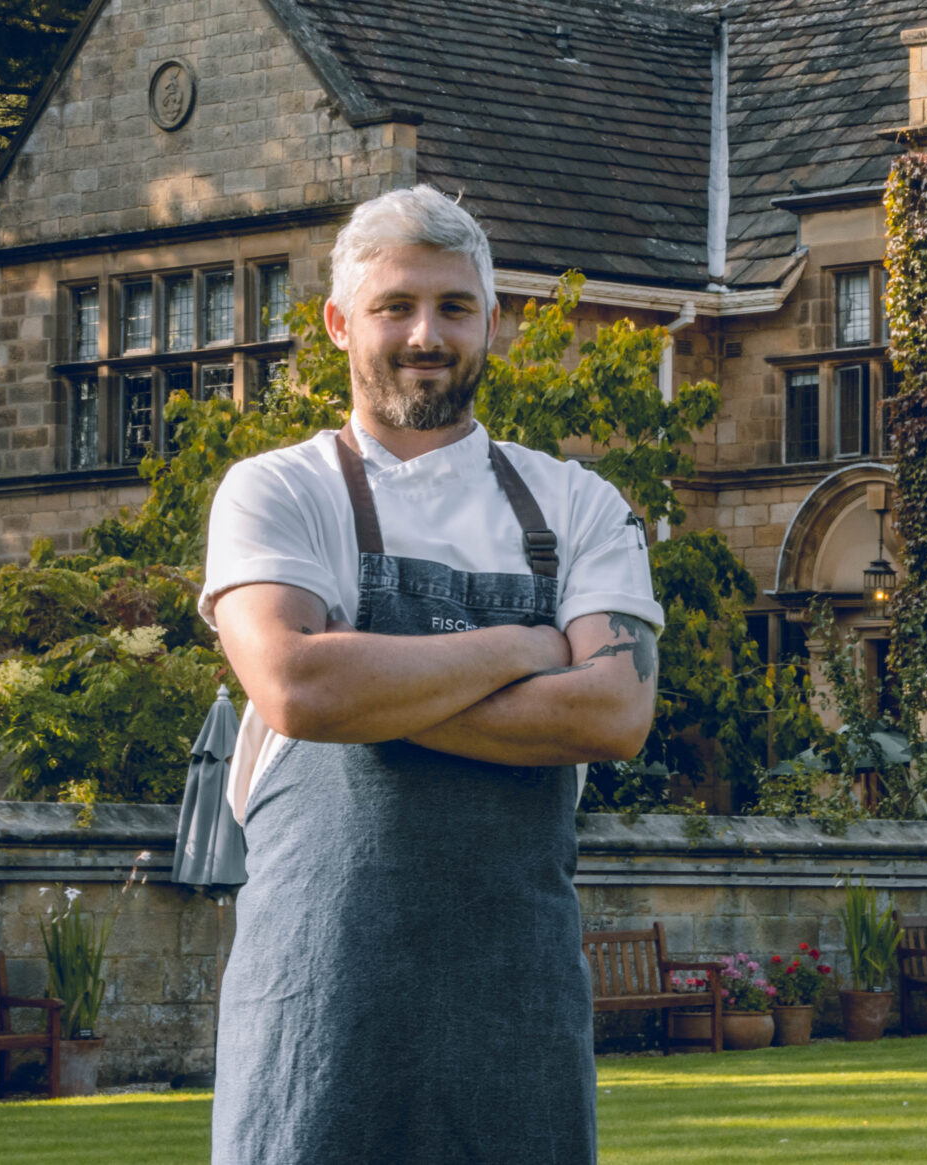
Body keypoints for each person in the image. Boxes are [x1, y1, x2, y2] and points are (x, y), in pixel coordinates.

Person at [200, 185, 661, 1165]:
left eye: (453, 307)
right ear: (337, 323)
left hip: (515, 1015)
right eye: (393, 307)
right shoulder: (276, 491)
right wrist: (524, 646)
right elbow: (298, 689)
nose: (425, 334)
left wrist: (376, 674)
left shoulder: (582, 505)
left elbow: (614, 713)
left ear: (492, 322)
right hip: (314, 1018)